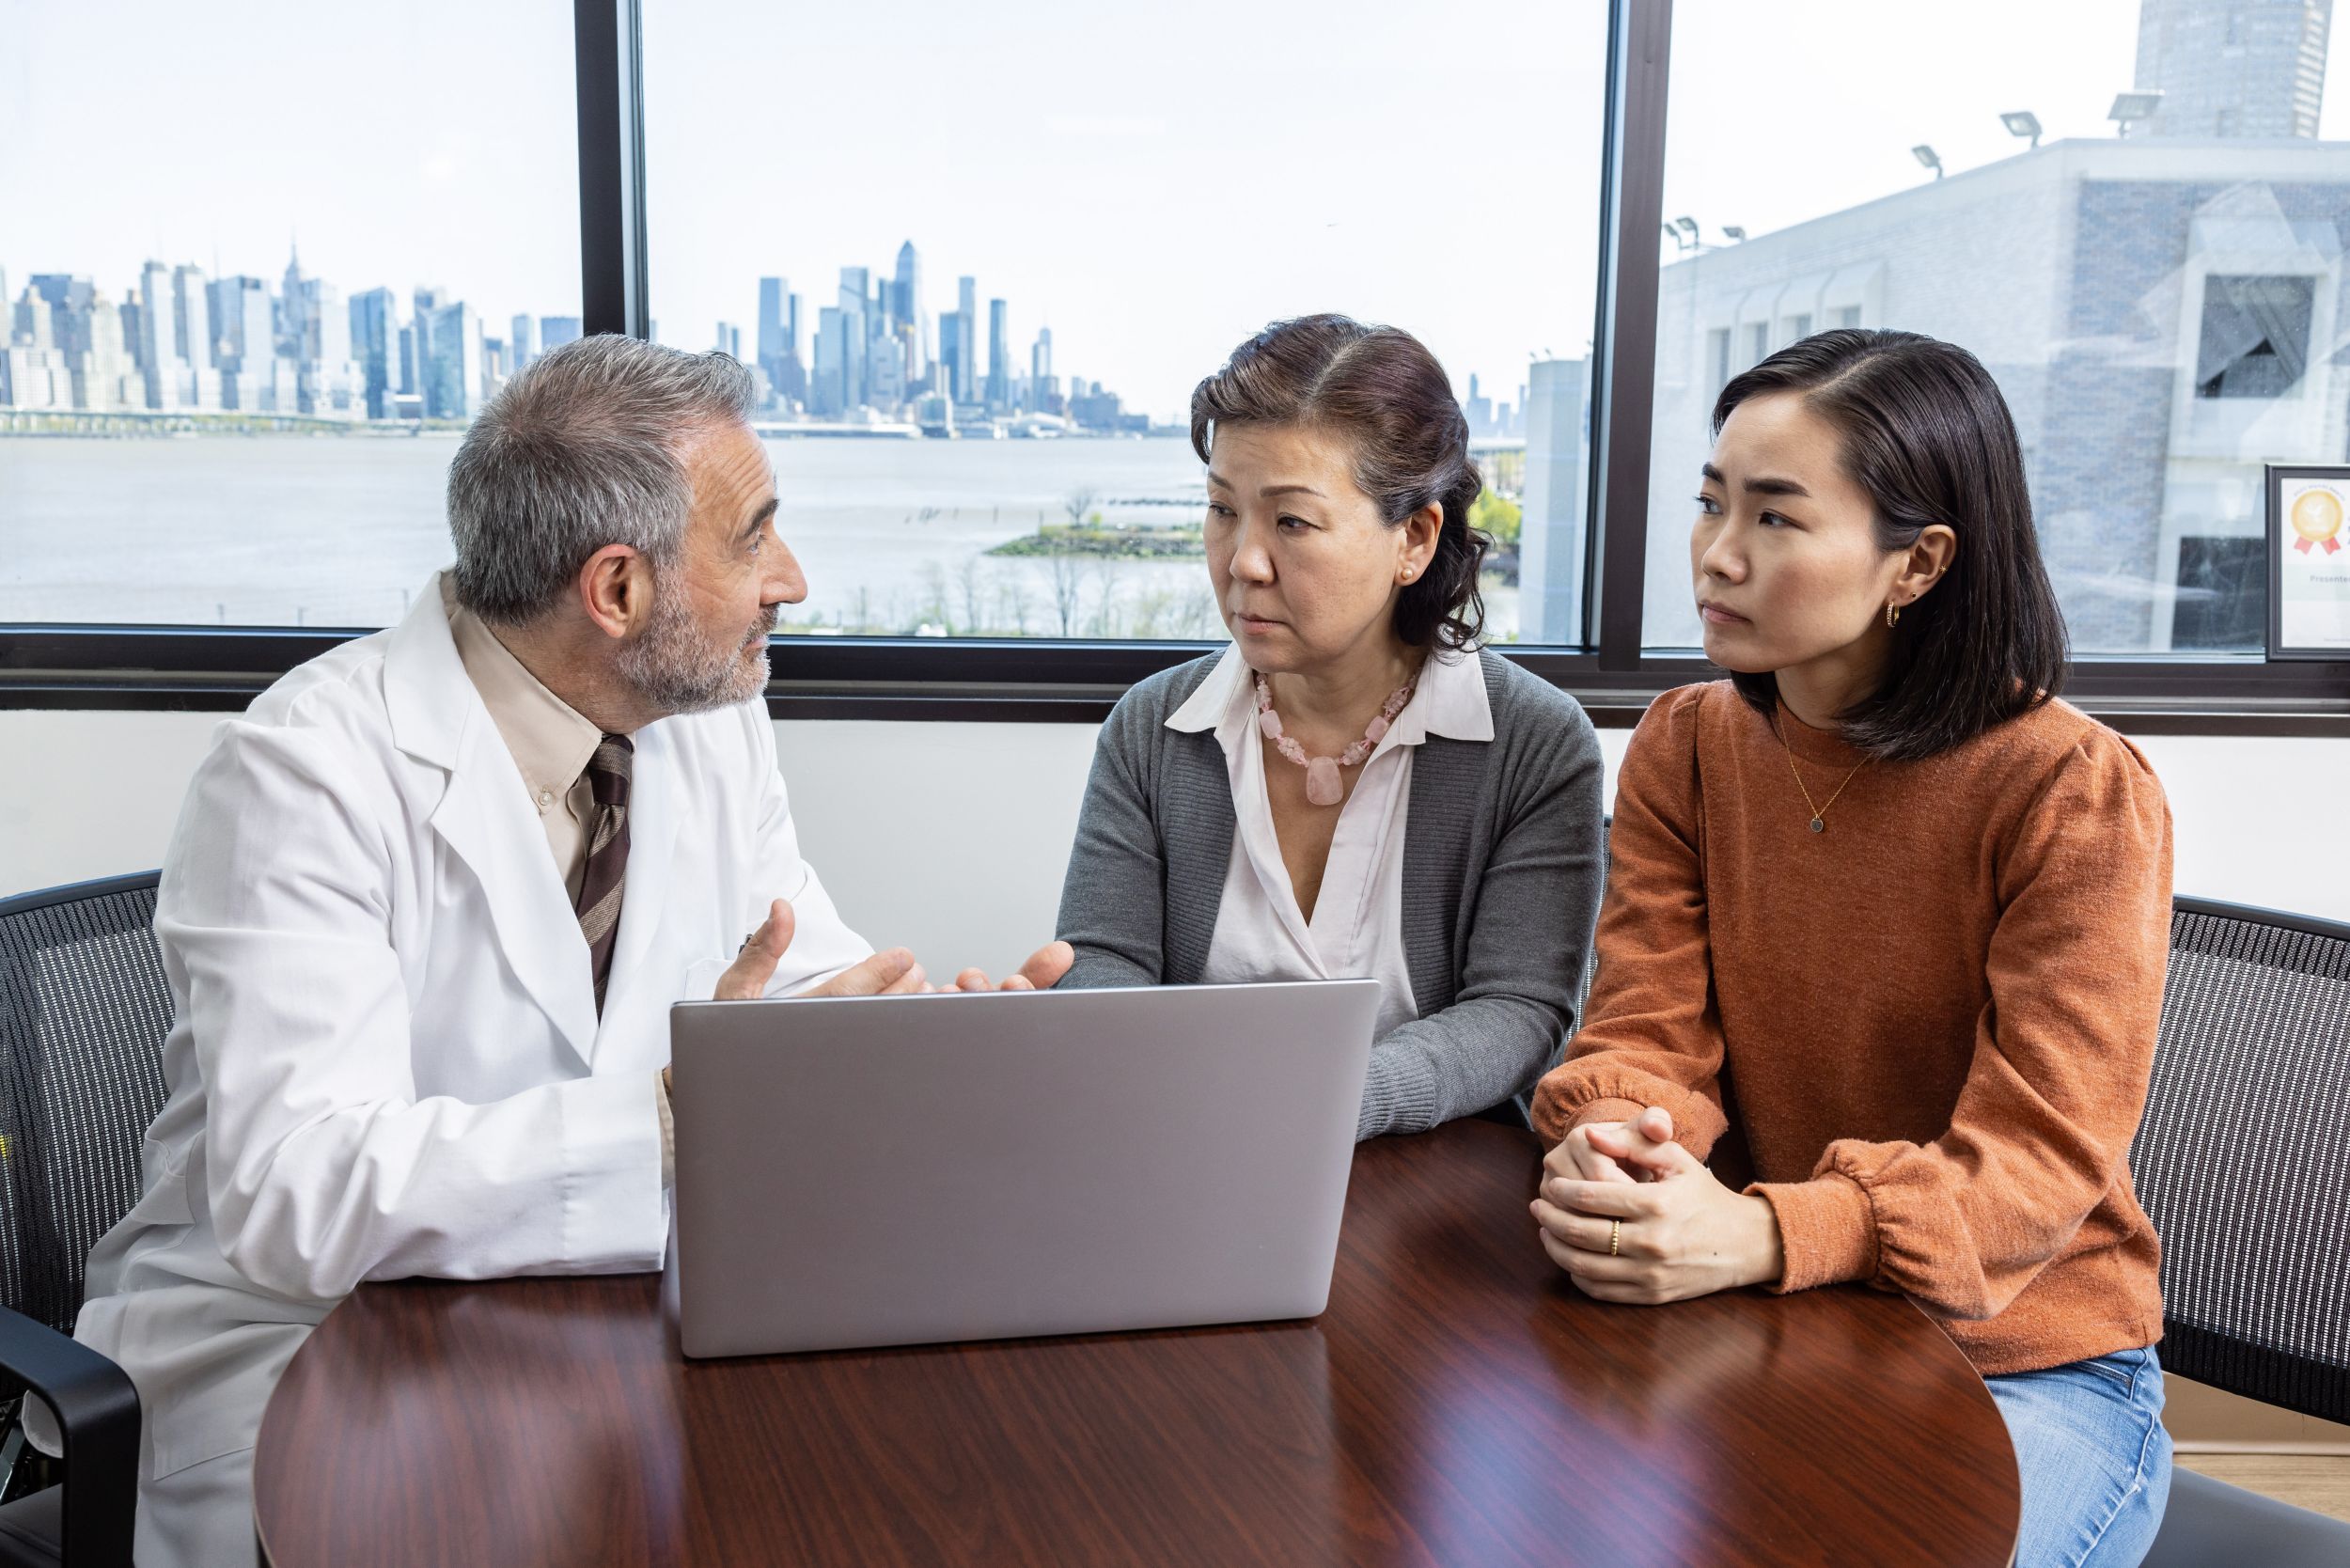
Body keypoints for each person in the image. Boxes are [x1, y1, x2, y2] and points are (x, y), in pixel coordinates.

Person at [39, 336, 1071, 1568]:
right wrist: (689, 1117)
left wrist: (961, 1045)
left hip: (588, 1322)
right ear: (619, 590)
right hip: (313, 1353)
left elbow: (795, 974)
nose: (790, 579)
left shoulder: (706, 723)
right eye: (754, 540)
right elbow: (295, 1194)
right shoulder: (302, 774)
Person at [1528, 329, 2173, 1565]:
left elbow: (2034, 1168)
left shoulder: (2073, 788)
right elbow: (1647, 1026)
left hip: (2030, 1372)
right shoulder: (1688, 742)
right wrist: (1619, 1136)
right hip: (1779, 1318)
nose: (1717, 555)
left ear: (1918, 564)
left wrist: (1765, 1232)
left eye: (1776, 519)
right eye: (1712, 503)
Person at [1056, 315, 1606, 1139]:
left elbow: (1520, 1011)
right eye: (1221, 510)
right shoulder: (1153, 726)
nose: (1242, 560)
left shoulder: (1534, 740)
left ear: (1415, 538)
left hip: (1435, 1187)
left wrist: (1319, 1101)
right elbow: (1103, 960)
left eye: (1291, 522)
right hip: (1185, 1142)